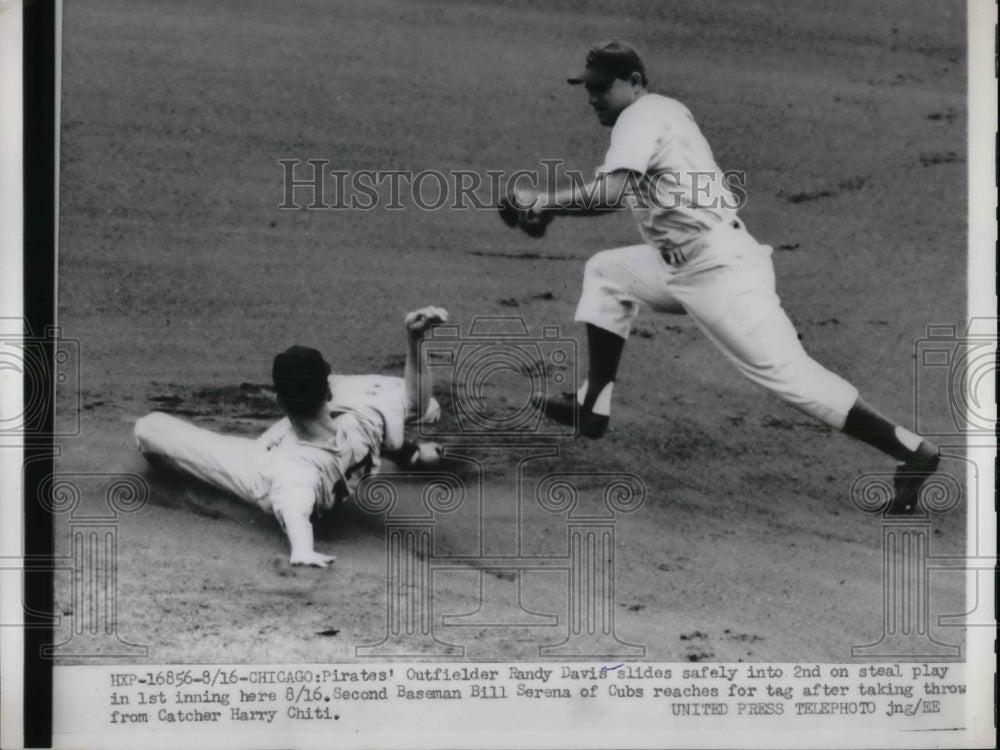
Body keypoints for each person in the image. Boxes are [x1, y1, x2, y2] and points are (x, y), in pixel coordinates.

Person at [507, 40, 939, 514]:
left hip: (721, 272)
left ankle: (911, 450)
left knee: (789, 377)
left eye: (600, 87)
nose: (591, 97)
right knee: (607, 272)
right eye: (586, 87)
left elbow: (611, 192)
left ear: (633, 83)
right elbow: (614, 188)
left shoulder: (641, 116)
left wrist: (542, 202)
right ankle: (593, 406)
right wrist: (548, 208)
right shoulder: (657, 116)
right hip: (680, 262)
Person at [134, 306, 449, 566]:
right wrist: (414, 338)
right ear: (328, 391)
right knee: (420, 406)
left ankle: (405, 451)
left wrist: (303, 551)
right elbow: (416, 403)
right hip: (301, 449)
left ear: (279, 403)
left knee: (149, 427)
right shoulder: (363, 418)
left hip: (279, 456)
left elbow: (298, 517)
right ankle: (406, 452)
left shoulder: (295, 470)